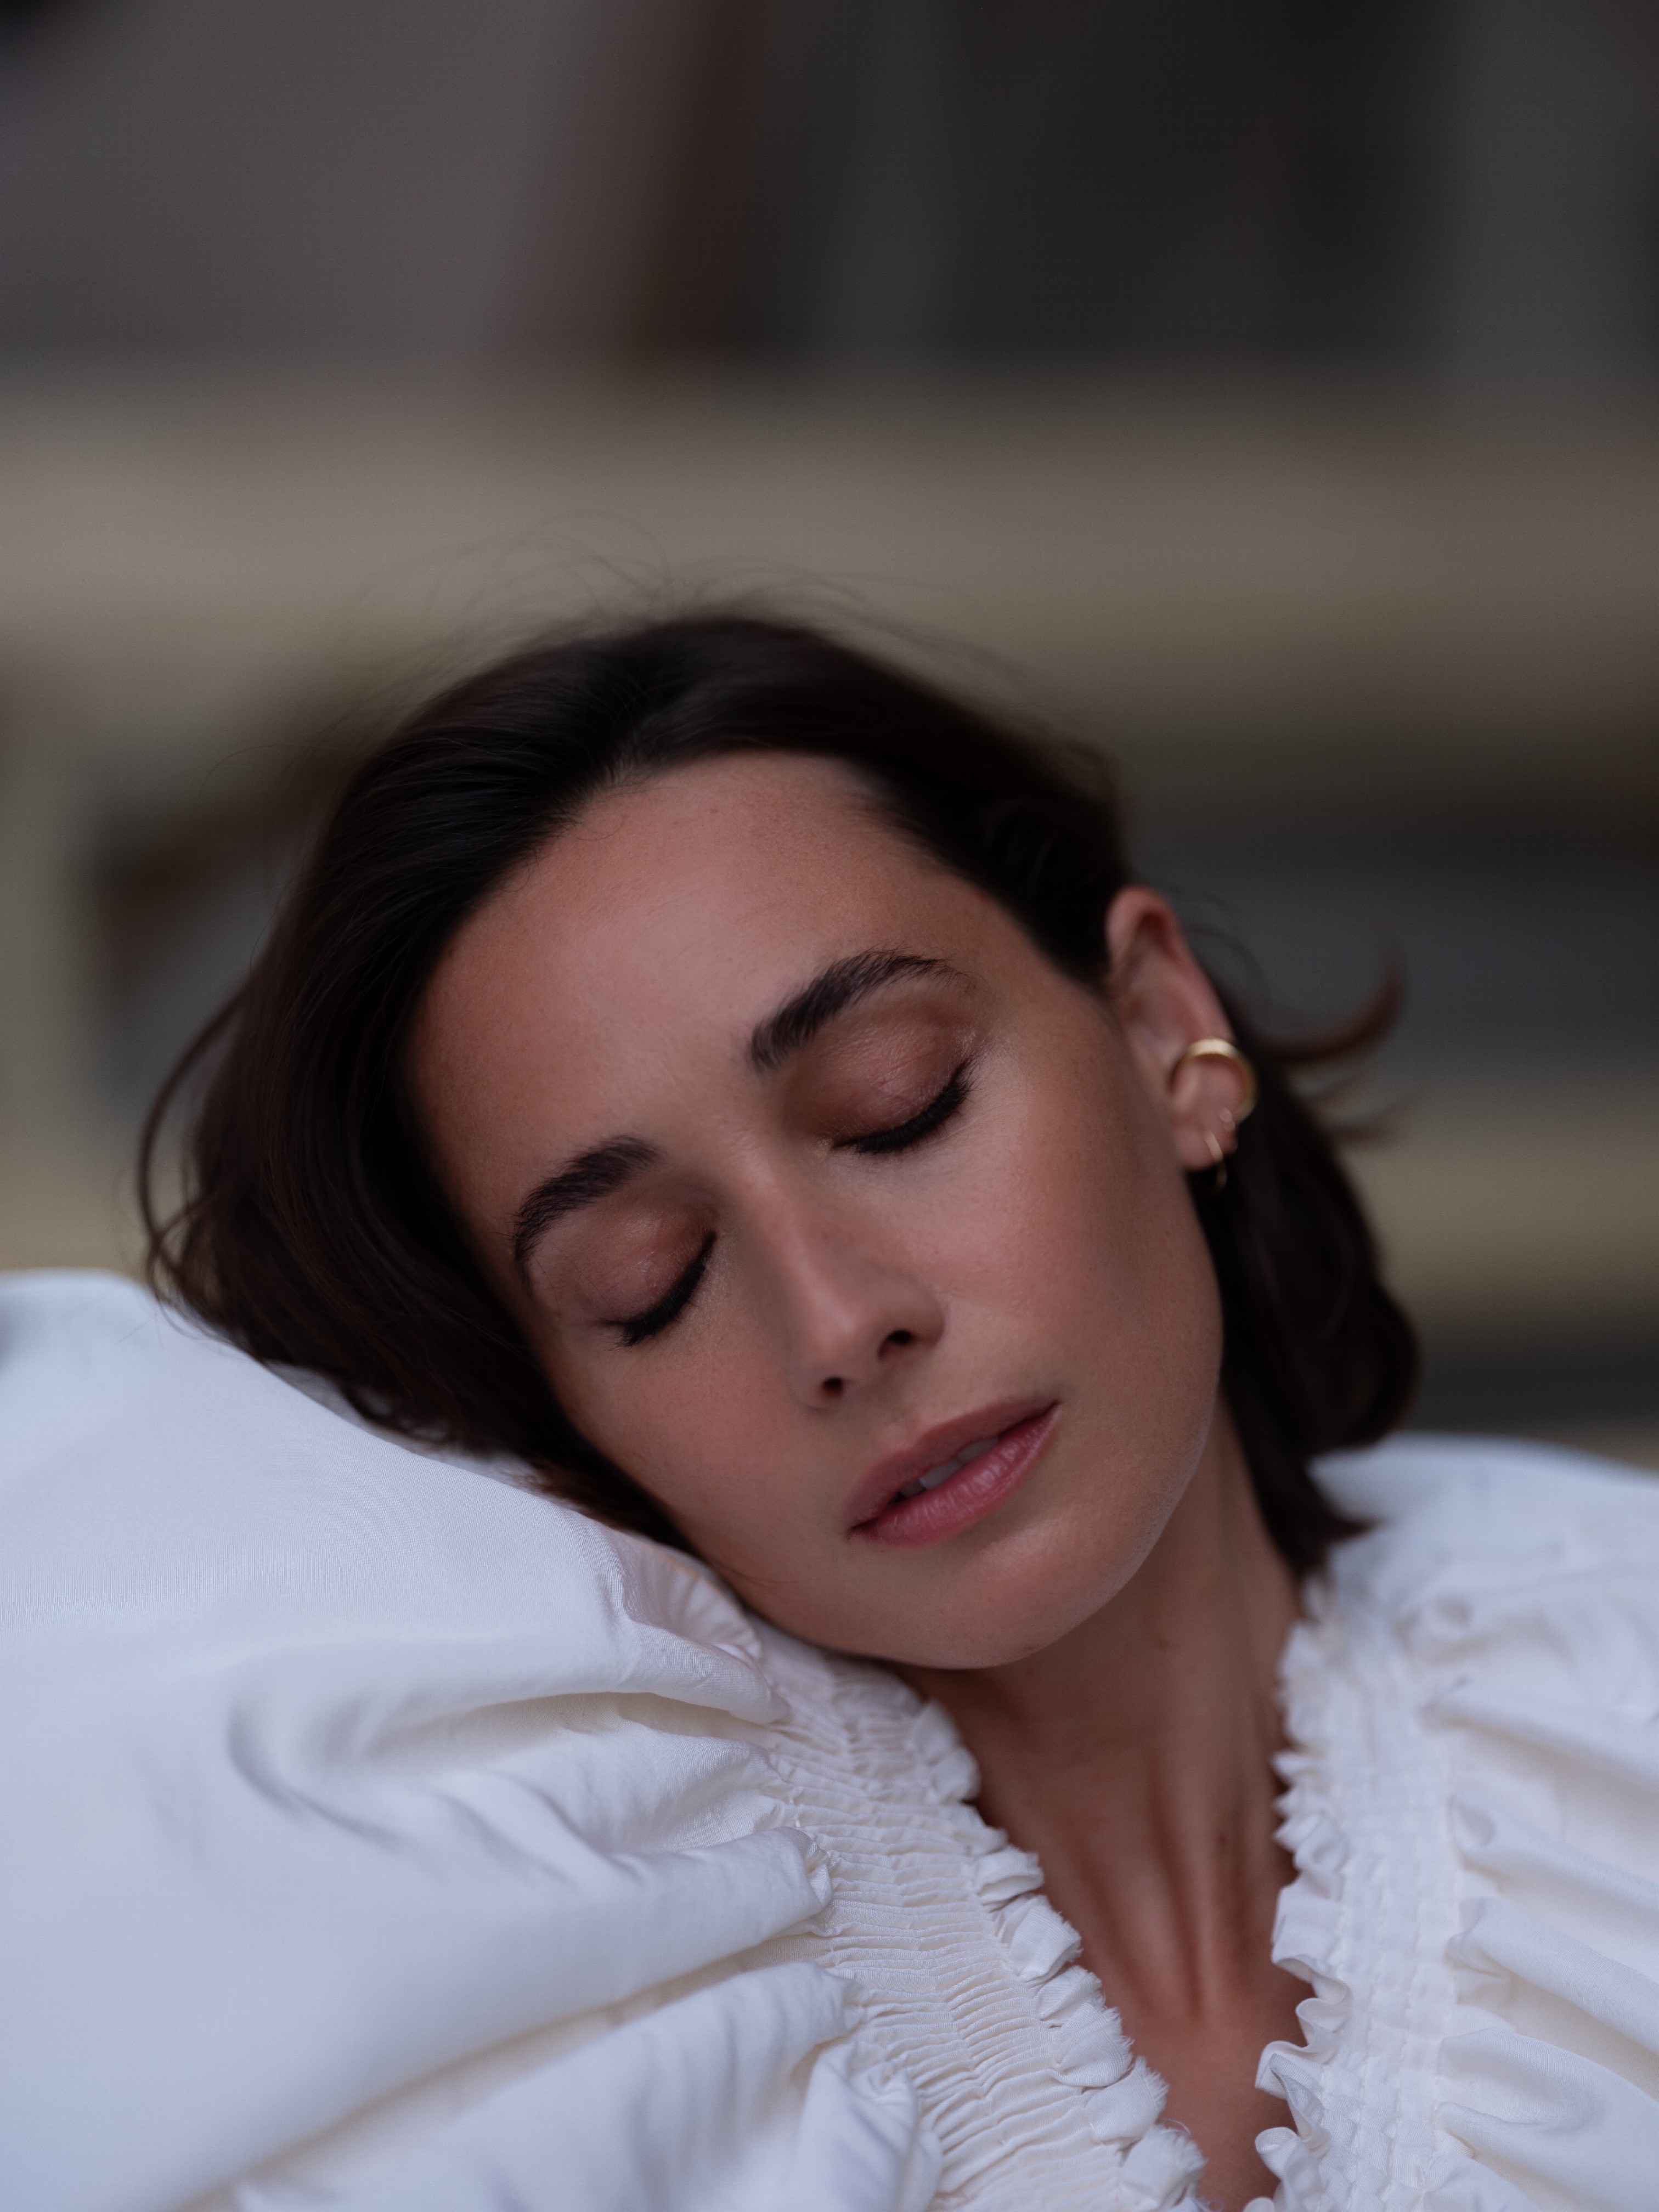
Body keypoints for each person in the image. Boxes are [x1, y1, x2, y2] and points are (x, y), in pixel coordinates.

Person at [4, 614, 1656, 2212]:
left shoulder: (1616, 1684)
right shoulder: (528, 2004)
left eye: (897, 1107)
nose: (840, 1324)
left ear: (1161, 1025)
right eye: (649, 1282)